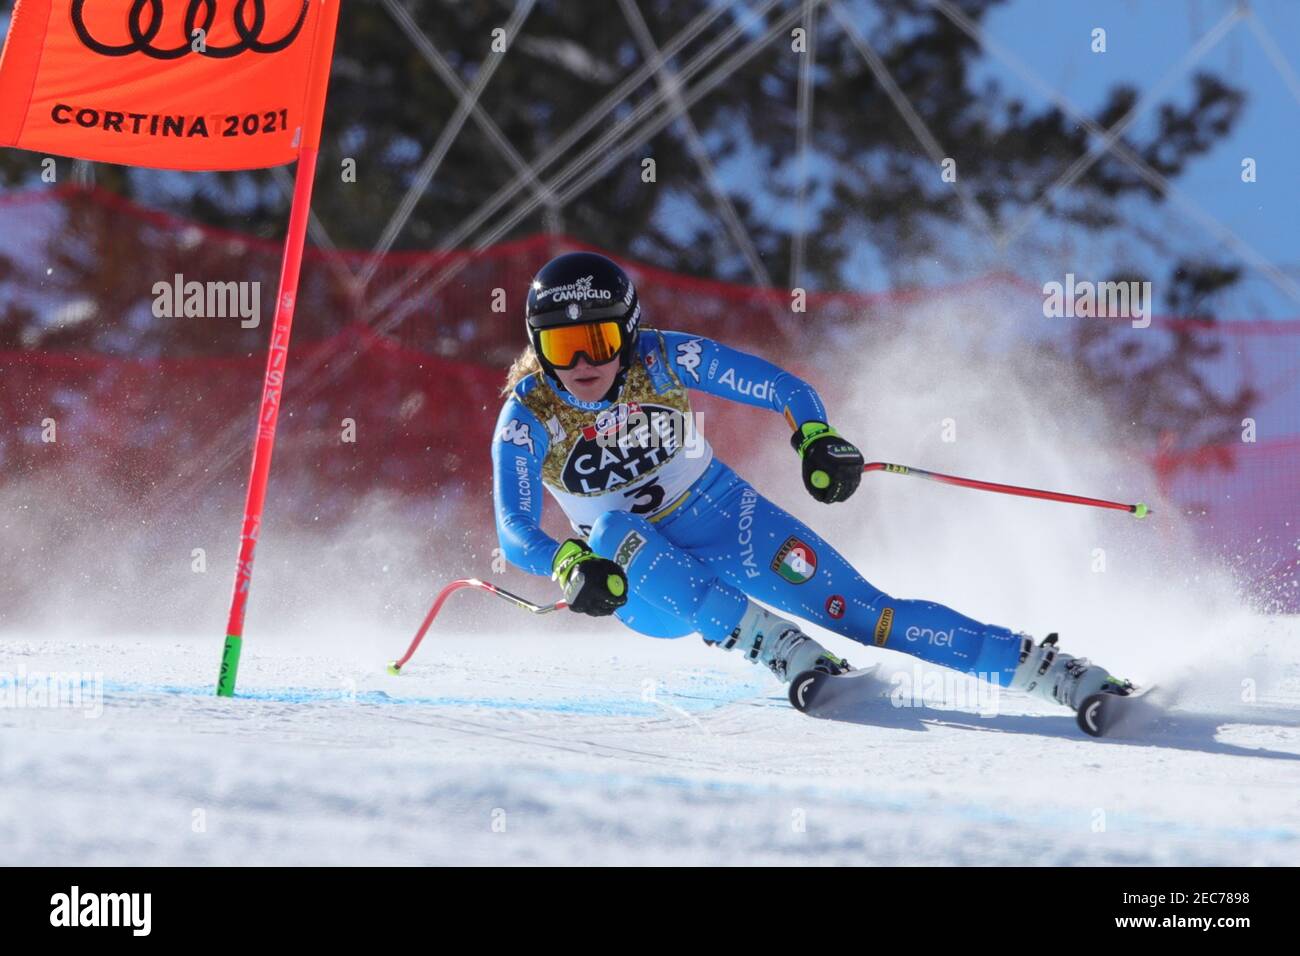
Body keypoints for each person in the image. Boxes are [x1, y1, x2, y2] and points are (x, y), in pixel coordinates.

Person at [491, 252, 1128, 711]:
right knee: (610, 527)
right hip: (640, 583)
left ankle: (1052, 672)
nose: (581, 362)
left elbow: (783, 389)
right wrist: (570, 563)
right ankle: (778, 647)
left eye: (597, 340)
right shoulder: (530, 416)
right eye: (560, 343)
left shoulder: (662, 357)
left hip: (723, 516)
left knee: (870, 615)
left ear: (627, 333)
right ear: (536, 344)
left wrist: (815, 436)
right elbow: (516, 532)